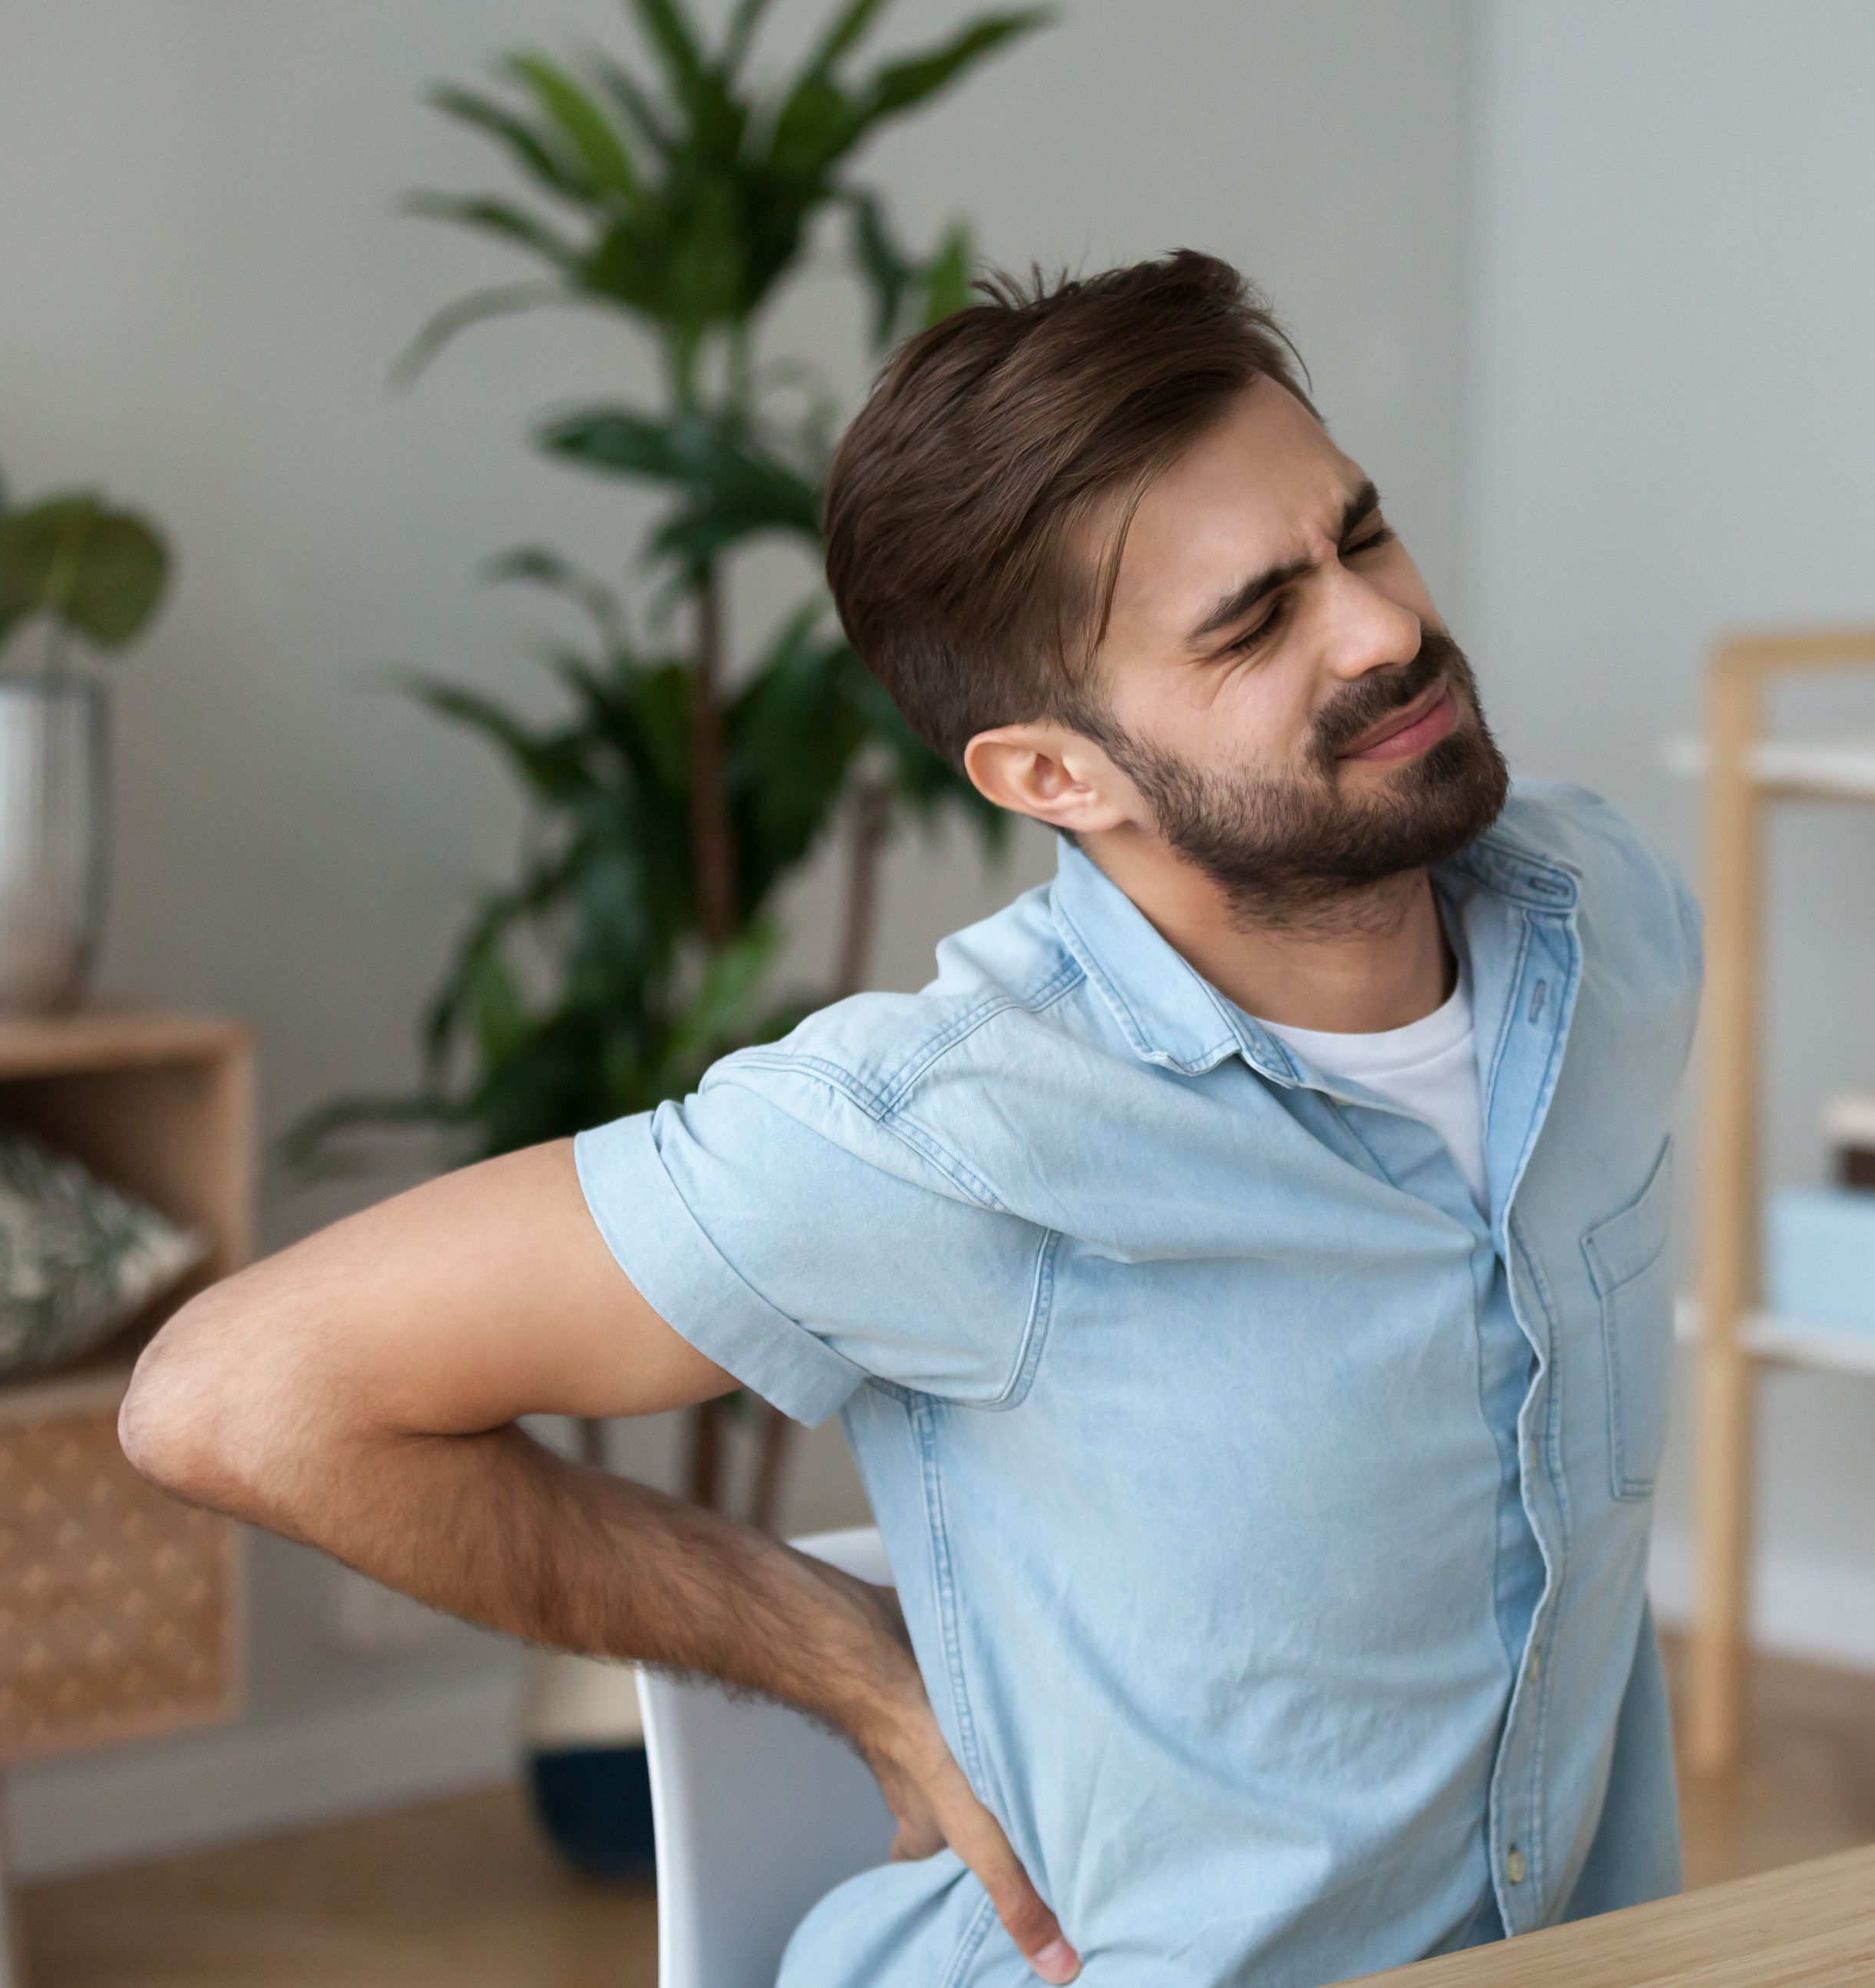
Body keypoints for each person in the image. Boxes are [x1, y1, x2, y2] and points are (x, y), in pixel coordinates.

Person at [122, 251, 1701, 1988]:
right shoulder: (952, 1132)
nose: (1386, 626)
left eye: (1363, 536)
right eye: (1255, 622)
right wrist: (846, 1655)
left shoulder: (1603, 921)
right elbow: (233, 1398)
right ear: (1051, 775)